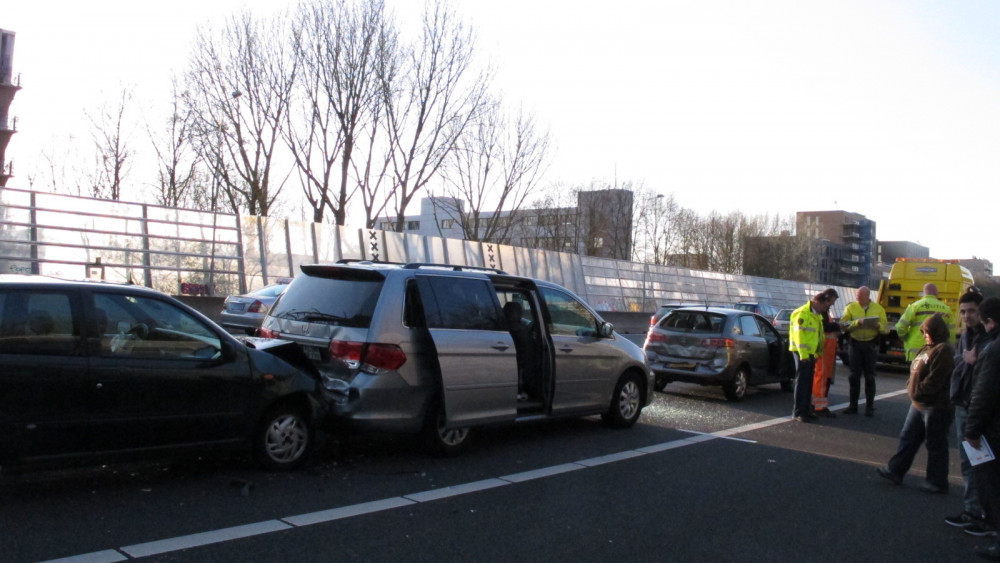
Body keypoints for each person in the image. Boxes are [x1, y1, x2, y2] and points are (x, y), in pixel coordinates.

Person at [876, 313, 954, 492]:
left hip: (936, 406)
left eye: (927, 332)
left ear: (936, 331)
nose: (925, 335)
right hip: (919, 404)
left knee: (935, 444)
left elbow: (936, 380)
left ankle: (937, 481)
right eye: (924, 332)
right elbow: (915, 372)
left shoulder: (943, 350)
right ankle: (895, 470)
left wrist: (917, 391)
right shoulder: (926, 349)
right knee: (908, 438)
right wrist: (910, 386)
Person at [946, 288, 995, 536]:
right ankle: (973, 510)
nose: (966, 316)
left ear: (982, 311)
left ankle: (983, 515)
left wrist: (971, 361)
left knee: (982, 466)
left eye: (972, 311)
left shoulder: (989, 339)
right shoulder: (966, 336)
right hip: (963, 404)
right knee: (969, 464)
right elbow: (959, 360)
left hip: (977, 409)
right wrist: (964, 359)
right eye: (963, 312)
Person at [964, 297, 1000, 561]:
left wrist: (972, 430)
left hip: (994, 429)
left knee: (992, 487)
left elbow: (983, 394)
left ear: (989, 321)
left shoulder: (992, 349)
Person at [840, 286, 888, 416]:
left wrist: (878, 326)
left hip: (870, 345)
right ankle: (853, 405)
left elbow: (886, 328)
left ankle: (869, 407)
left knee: (870, 376)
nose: (858, 298)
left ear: (868, 296)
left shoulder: (878, 309)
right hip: (855, 344)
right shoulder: (851, 308)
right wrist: (856, 323)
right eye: (857, 296)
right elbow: (843, 325)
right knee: (854, 376)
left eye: (860, 296)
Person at [789, 289, 834, 423]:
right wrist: (803, 355)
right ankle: (798, 412)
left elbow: (818, 336)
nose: (825, 309)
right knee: (802, 382)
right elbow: (799, 336)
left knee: (808, 383)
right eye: (824, 306)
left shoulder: (817, 316)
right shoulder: (803, 314)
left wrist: (818, 352)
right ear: (817, 302)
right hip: (802, 353)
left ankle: (806, 410)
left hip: (811, 353)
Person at [896, 283, 955, 362]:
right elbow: (951, 333)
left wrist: (905, 338)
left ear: (924, 293)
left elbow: (900, 327)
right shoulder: (946, 309)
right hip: (937, 352)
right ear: (936, 293)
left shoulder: (915, 306)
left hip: (916, 351)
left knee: (916, 373)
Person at [812, 289, 840, 417]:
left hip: (827, 351)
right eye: (832, 301)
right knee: (821, 378)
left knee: (824, 379)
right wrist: (837, 326)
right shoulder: (822, 313)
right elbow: (825, 328)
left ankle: (820, 404)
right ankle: (819, 406)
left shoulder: (825, 312)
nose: (832, 304)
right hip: (823, 350)